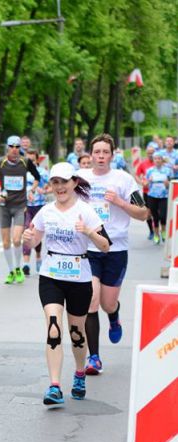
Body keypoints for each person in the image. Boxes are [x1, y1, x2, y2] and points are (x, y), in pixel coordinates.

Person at [22, 162, 110, 405]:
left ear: (73, 183)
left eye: (64, 182)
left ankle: (80, 373)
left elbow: (105, 245)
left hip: (79, 277)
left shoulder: (86, 211)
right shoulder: (46, 211)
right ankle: (54, 386)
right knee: (53, 327)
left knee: (76, 332)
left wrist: (88, 232)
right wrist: (28, 238)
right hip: (51, 275)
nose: (59, 187)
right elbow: (32, 240)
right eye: (55, 182)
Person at [77, 134, 149, 375]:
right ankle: (94, 357)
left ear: (112, 154)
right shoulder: (79, 178)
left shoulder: (123, 179)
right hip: (89, 248)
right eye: (96, 152)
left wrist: (119, 202)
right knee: (92, 301)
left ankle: (114, 316)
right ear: (90, 154)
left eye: (105, 152)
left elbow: (143, 213)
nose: (100, 156)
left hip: (115, 250)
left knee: (107, 303)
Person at [0, 135, 41, 284]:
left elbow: (37, 177)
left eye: (17, 147)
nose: (14, 149)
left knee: (17, 239)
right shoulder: (0, 162)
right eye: (12, 146)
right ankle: (11, 271)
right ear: (7, 147)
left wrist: (32, 191)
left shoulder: (26, 162)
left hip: (20, 206)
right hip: (4, 206)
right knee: (6, 242)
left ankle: (18, 268)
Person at [22, 148, 49, 276]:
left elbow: (50, 186)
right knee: (26, 232)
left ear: (37, 159)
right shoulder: (21, 172)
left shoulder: (42, 172)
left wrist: (44, 190)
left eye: (32, 159)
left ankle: (38, 256)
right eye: (28, 159)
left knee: (36, 233)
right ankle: (26, 263)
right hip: (26, 206)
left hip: (39, 206)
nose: (30, 162)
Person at [145, 150, 171, 244]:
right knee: (155, 217)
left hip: (164, 195)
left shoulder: (168, 170)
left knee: (163, 216)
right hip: (152, 196)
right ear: (153, 160)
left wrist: (168, 184)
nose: (157, 160)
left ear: (162, 160)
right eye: (155, 158)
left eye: (159, 158)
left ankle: (163, 231)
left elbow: (171, 184)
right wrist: (149, 181)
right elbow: (145, 184)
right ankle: (156, 235)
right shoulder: (149, 171)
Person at [135, 144, 156, 240]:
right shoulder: (143, 164)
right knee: (148, 213)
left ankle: (158, 230)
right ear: (146, 154)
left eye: (152, 153)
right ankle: (151, 231)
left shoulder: (159, 162)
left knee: (158, 213)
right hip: (147, 192)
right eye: (149, 153)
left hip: (160, 193)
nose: (151, 155)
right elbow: (136, 175)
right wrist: (141, 183)